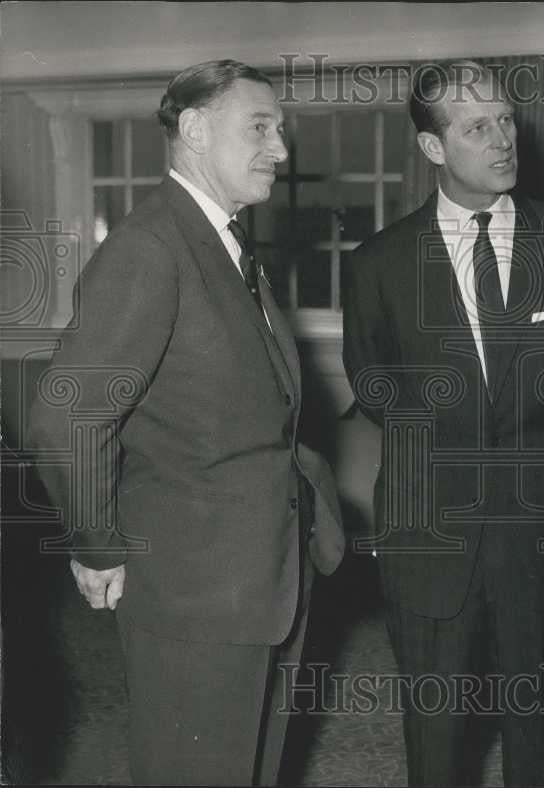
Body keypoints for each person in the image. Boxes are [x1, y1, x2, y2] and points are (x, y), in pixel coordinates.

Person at [28, 59, 345, 786]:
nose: (281, 150)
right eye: (260, 128)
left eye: (281, 129)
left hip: (260, 580)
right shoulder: (150, 249)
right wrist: (101, 547)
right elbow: (66, 415)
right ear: (196, 131)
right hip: (194, 595)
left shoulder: (226, 246)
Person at [343, 60, 544, 786]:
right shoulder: (378, 264)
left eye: (506, 120)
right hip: (429, 530)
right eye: (476, 126)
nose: (502, 140)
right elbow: (374, 386)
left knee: (540, 729)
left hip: (538, 529)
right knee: (433, 728)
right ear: (433, 148)